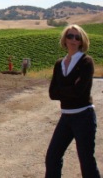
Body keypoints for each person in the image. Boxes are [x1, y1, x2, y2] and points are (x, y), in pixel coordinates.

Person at [45, 24, 100, 177]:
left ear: (82, 41)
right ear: (65, 39)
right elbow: (52, 93)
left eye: (77, 37)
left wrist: (63, 89)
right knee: (52, 157)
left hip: (84, 116)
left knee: (86, 161)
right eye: (70, 36)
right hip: (66, 117)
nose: (73, 40)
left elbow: (80, 92)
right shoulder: (59, 64)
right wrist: (71, 87)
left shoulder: (86, 62)